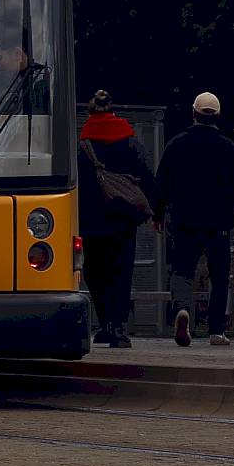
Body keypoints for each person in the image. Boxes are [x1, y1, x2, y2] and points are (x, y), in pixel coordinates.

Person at [153, 90, 234, 347]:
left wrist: (157, 214)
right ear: (218, 117)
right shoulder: (228, 147)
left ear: (193, 114)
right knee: (220, 276)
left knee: (182, 271)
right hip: (219, 223)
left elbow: (162, 182)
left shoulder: (177, 144)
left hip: (184, 220)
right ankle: (216, 331)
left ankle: (182, 310)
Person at [78, 90, 155, 347]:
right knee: (121, 272)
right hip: (122, 217)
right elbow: (145, 171)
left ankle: (105, 323)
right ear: (112, 110)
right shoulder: (128, 137)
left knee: (95, 272)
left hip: (90, 219)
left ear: (90, 112)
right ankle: (120, 328)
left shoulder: (83, 140)